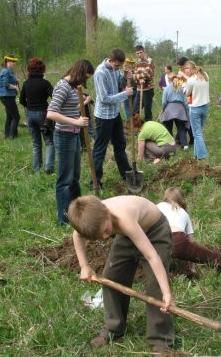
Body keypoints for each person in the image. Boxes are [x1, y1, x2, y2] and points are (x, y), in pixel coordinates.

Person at [68, 194, 174, 357]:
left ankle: (160, 340)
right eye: (98, 237)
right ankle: (113, 328)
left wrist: (166, 292)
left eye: (106, 232)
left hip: (154, 233)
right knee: (111, 279)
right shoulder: (92, 219)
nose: (104, 238)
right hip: (125, 236)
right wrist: (84, 266)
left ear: (107, 213)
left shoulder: (123, 218)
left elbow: (152, 256)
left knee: (156, 287)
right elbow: (77, 235)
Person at [47, 59, 94, 224]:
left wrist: (84, 102)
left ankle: (78, 213)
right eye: (85, 77)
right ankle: (65, 218)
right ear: (79, 73)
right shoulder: (62, 86)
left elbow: (71, 107)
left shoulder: (73, 87)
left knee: (74, 177)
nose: (85, 81)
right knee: (65, 180)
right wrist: (76, 122)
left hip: (73, 136)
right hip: (64, 136)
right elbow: (51, 113)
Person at [92, 49, 133, 187]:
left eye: (120, 67)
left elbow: (120, 84)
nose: (118, 69)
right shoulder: (100, 73)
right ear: (110, 60)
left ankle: (127, 173)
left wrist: (125, 77)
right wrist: (125, 94)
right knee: (100, 148)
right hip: (104, 116)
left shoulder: (116, 69)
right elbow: (104, 98)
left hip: (115, 114)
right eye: (116, 66)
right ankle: (95, 180)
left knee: (120, 144)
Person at [19, 58, 55, 173]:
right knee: (49, 142)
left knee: (36, 143)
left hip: (30, 115)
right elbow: (55, 97)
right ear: (42, 69)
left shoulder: (26, 83)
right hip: (43, 114)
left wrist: (28, 105)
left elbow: (21, 100)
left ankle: (36, 169)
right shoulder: (45, 83)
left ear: (29, 70)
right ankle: (49, 168)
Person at [183, 60, 209, 160]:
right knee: (198, 132)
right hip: (205, 106)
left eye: (186, 69)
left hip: (195, 108)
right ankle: (196, 155)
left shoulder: (191, 80)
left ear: (191, 68)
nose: (185, 71)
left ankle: (202, 156)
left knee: (197, 133)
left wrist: (184, 85)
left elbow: (186, 93)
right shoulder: (205, 75)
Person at [160, 75, 190, 150]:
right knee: (181, 127)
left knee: (168, 127)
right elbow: (185, 101)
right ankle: (185, 144)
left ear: (170, 80)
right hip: (180, 109)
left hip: (169, 109)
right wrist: (187, 110)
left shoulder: (166, 89)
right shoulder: (182, 88)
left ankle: (170, 144)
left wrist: (164, 110)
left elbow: (164, 102)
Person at [0, 55, 20, 139]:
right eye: (12, 61)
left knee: (9, 115)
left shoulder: (9, 71)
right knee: (16, 116)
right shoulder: (5, 71)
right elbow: (5, 84)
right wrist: (15, 87)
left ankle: (7, 135)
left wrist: (16, 80)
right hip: (6, 96)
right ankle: (12, 135)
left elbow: (10, 80)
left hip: (9, 96)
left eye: (15, 62)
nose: (14, 63)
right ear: (7, 61)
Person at [133, 45, 155, 121]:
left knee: (147, 110)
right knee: (135, 110)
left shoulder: (149, 61)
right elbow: (134, 75)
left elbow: (148, 74)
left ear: (144, 52)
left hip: (148, 89)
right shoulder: (137, 62)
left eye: (140, 52)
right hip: (139, 89)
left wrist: (139, 76)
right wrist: (139, 79)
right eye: (137, 53)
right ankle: (137, 126)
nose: (139, 55)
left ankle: (148, 127)